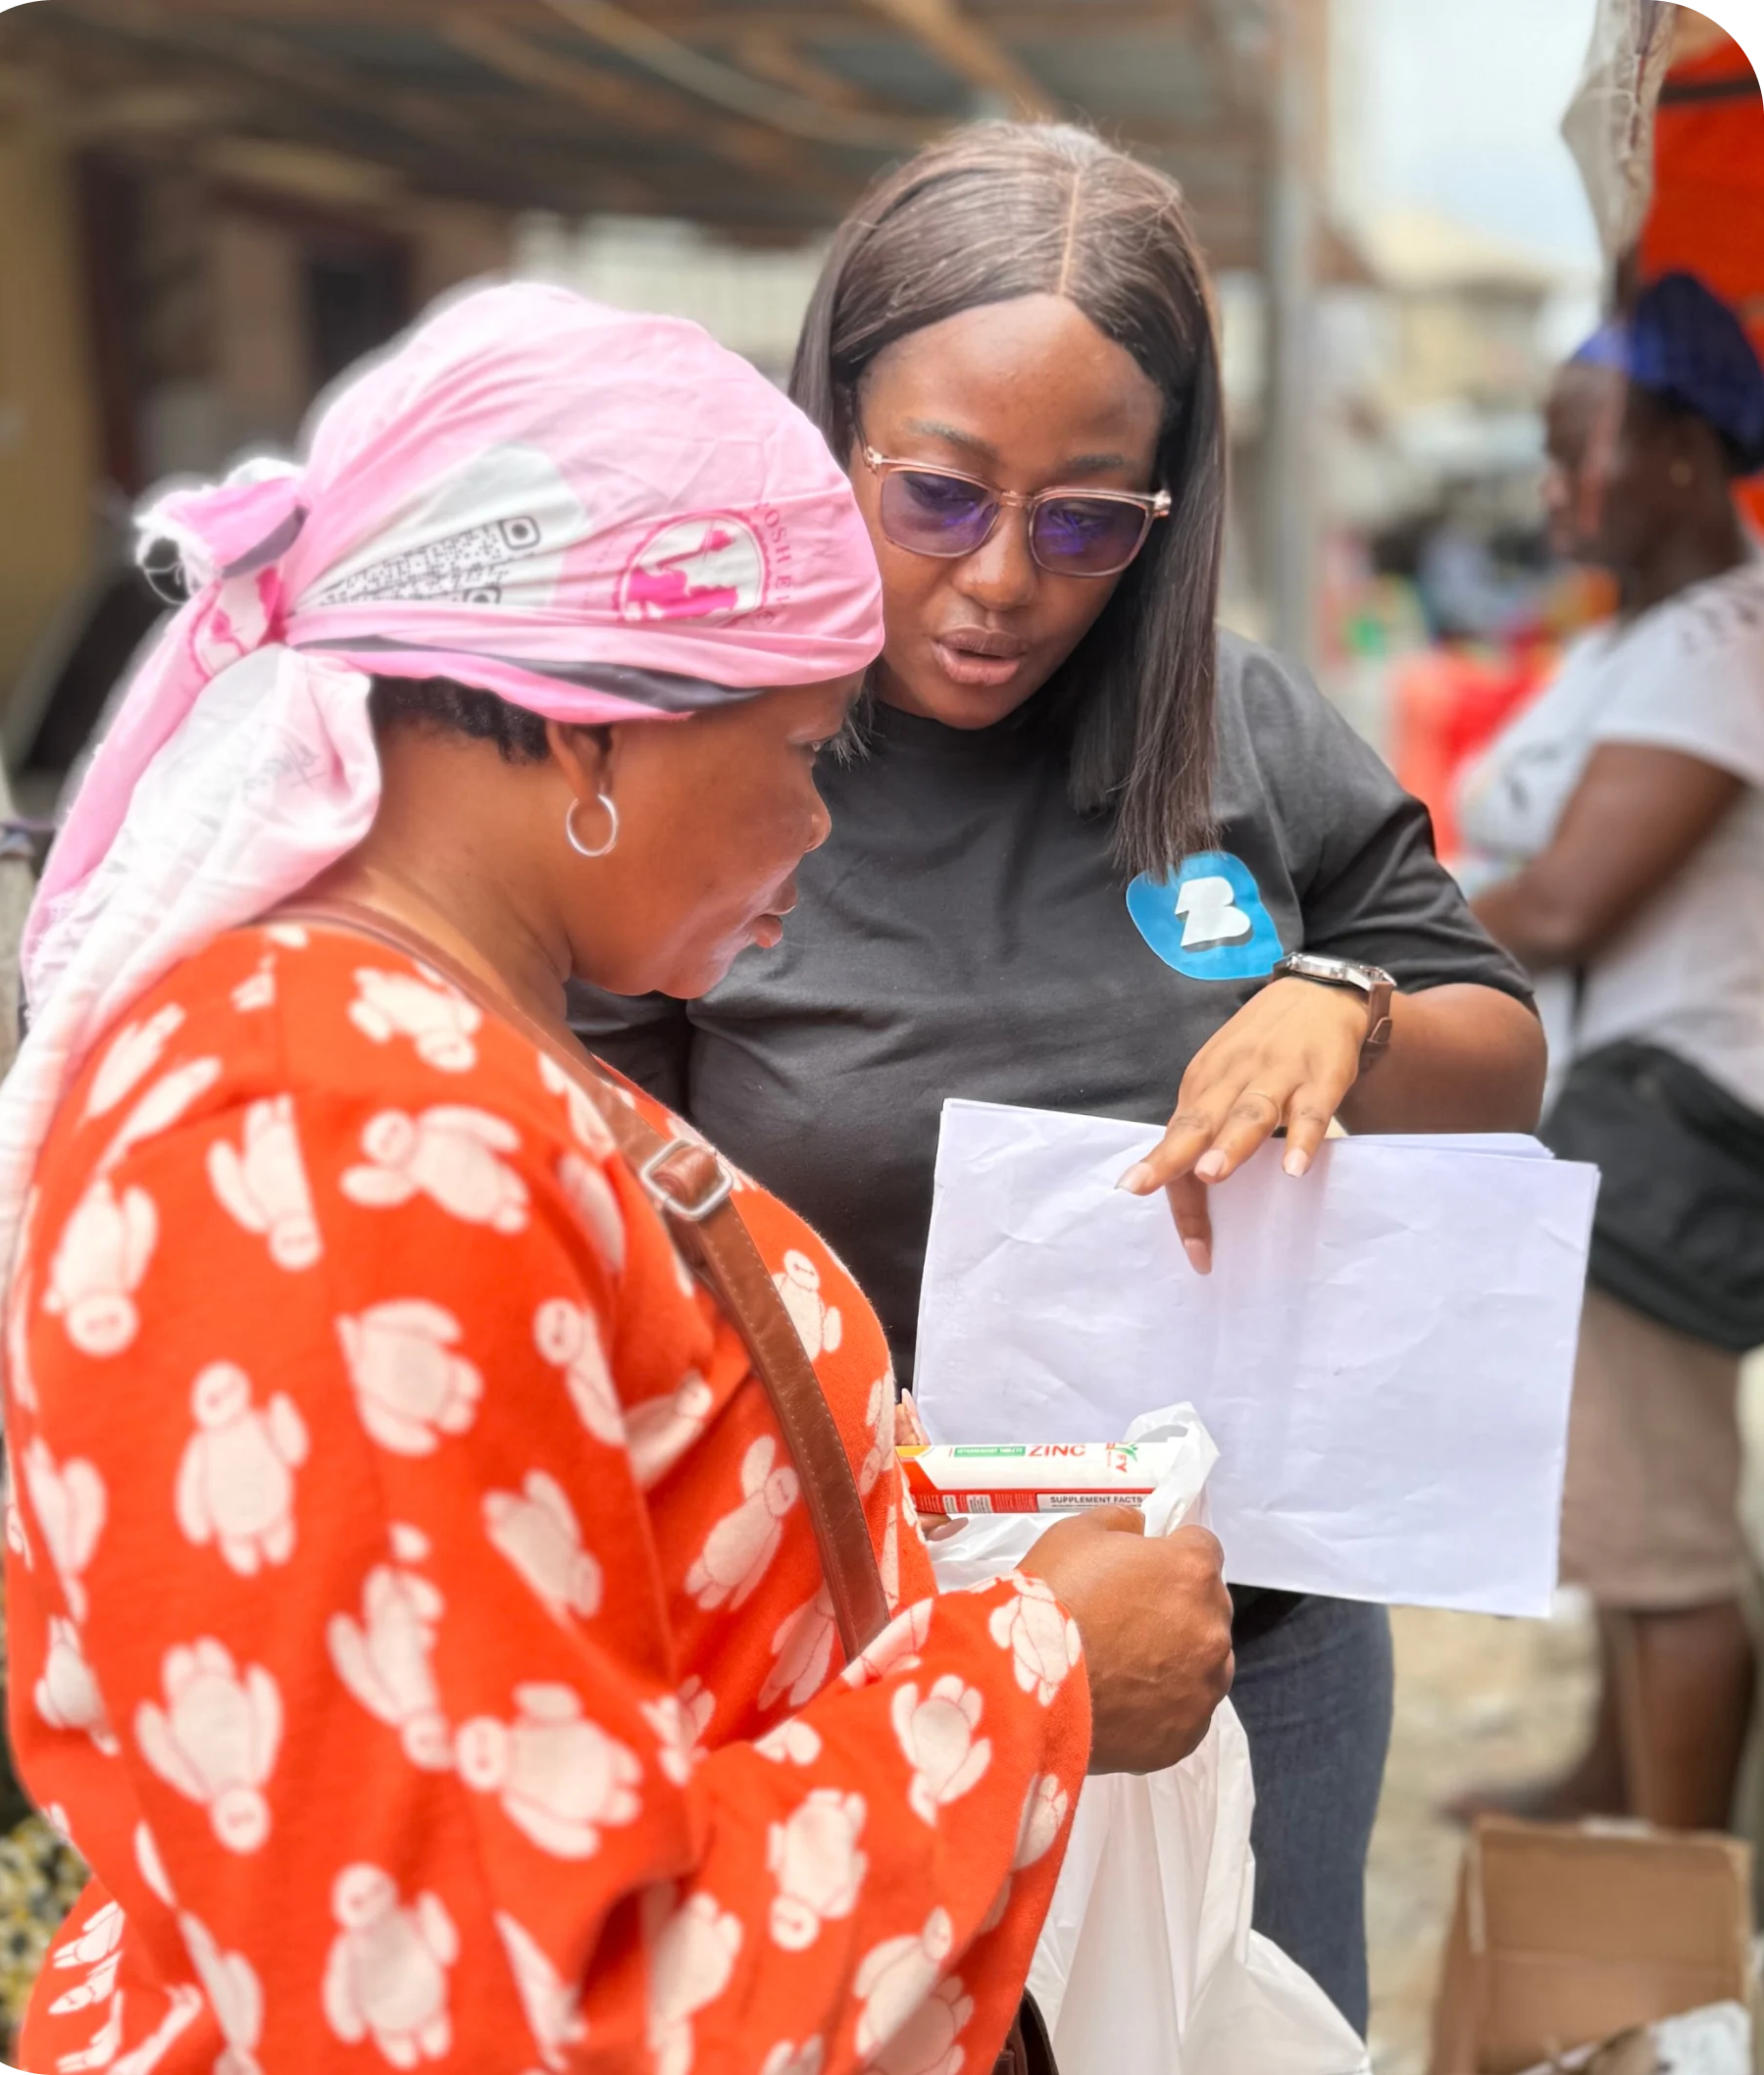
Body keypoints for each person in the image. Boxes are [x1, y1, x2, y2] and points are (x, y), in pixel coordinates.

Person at [0, 283, 1235, 2073]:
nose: (813, 828)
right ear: (579, 731)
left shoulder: (415, 1061)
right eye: (795, 751)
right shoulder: (328, 1136)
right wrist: (1036, 1691)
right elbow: (488, 1998)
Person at [572, 122, 1546, 2030]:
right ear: (824, 430)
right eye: (937, 496)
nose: (1004, 580)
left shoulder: (1234, 730)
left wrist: (1336, 1001)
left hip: (1239, 1636)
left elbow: (1496, 1049)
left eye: (1088, 520)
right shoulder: (704, 764)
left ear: (1166, 504)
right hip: (845, 1657)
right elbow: (596, 1213)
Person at [1465, 272, 1764, 1832]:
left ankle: (1677, 1905)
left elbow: (1574, 896)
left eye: (1578, 445)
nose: (1554, 482)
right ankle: (1613, 1784)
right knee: (1620, 1506)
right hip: (1612, 1116)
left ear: (1685, 458)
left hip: (1675, 1123)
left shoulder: (1730, 642)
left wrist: (1403, 926)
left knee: (1669, 1542)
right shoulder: (1638, 638)